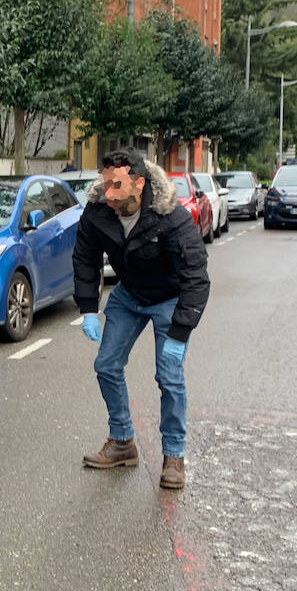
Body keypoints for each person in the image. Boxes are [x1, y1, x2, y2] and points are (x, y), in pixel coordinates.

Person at [72, 150, 210, 489]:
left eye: (117, 185)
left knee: (169, 378)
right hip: (130, 294)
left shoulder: (170, 217)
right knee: (105, 364)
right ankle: (122, 442)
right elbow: (85, 258)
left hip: (169, 298)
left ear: (139, 183)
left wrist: (180, 332)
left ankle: (174, 457)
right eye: (106, 184)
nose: (110, 193)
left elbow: (196, 276)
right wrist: (89, 308)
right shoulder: (98, 211)